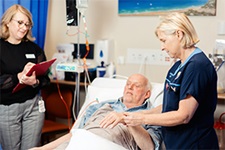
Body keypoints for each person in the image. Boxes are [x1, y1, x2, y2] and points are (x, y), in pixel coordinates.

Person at [110, 12, 219, 149]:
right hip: (176, 144)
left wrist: (141, 119)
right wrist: (135, 114)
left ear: (179, 34)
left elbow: (184, 115)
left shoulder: (197, 66)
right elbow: (169, 105)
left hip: (194, 145)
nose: (162, 47)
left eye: (163, 40)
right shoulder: (177, 66)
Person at [30, 73, 162, 150]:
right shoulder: (104, 105)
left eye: (137, 86)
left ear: (147, 94)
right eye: (128, 84)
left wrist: (129, 120)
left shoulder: (151, 115)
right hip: (78, 143)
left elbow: (149, 148)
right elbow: (76, 134)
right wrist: (42, 148)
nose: (130, 87)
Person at [0, 4, 50, 150]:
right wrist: (18, 77)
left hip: (33, 107)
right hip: (7, 109)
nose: (24, 27)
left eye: (27, 24)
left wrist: (36, 81)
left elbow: (46, 80)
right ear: (7, 22)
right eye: (20, 23)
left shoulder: (34, 49)